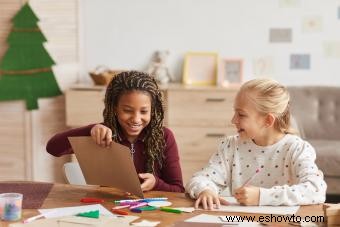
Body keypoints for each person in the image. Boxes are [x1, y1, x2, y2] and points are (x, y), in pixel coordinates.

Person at [186, 78, 326, 209]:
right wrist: (205, 190)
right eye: (235, 112)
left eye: (241, 114)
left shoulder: (296, 148)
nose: (233, 120)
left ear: (268, 121)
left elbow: (316, 189)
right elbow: (199, 179)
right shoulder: (230, 146)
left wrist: (262, 196)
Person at [46, 71, 184, 193]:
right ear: (115, 108)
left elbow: (178, 189)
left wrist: (156, 183)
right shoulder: (100, 134)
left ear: (153, 111)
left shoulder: (164, 137)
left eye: (144, 111)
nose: (136, 119)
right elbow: (52, 148)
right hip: (109, 209)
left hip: (151, 212)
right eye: (127, 110)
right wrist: (90, 129)